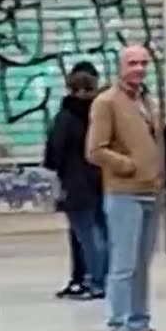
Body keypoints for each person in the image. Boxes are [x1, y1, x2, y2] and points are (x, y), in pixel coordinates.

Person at [86, 45, 166, 331]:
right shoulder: (106, 102)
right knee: (123, 264)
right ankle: (119, 327)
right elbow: (95, 150)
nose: (138, 68)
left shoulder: (147, 100)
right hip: (124, 193)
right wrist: (128, 165)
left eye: (143, 63)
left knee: (142, 264)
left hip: (151, 191)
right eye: (132, 63)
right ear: (120, 66)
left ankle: (140, 323)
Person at [45, 62, 106, 301]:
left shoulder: (66, 116)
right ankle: (102, 280)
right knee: (101, 233)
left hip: (76, 184)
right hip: (102, 181)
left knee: (86, 236)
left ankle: (93, 281)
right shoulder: (102, 111)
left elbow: (55, 151)